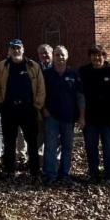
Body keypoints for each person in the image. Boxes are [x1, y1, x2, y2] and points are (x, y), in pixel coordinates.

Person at [0, 39, 46, 180]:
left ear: (23, 49)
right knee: (9, 141)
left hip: (28, 109)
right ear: (9, 50)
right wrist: (0, 103)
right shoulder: (2, 66)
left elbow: (41, 87)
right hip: (9, 109)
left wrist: (37, 106)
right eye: (13, 48)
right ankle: (9, 170)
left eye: (18, 48)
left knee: (32, 141)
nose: (16, 50)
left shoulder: (33, 65)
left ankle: (34, 171)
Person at [79, 44, 110, 184]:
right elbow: (79, 95)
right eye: (94, 55)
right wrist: (80, 117)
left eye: (99, 55)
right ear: (90, 57)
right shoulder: (83, 71)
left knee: (109, 148)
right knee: (91, 148)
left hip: (109, 119)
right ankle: (93, 174)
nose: (96, 58)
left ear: (104, 56)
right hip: (90, 119)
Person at [42, 46, 83, 184]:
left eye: (62, 55)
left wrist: (81, 115)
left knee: (67, 147)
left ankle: (65, 174)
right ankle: (50, 175)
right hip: (51, 116)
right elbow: (40, 93)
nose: (60, 57)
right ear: (53, 57)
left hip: (69, 117)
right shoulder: (46, 74)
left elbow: (80, 96)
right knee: (50, 147)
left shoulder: (74, 74)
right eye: (57, 54)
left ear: (67, 56)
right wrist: (43, 109)